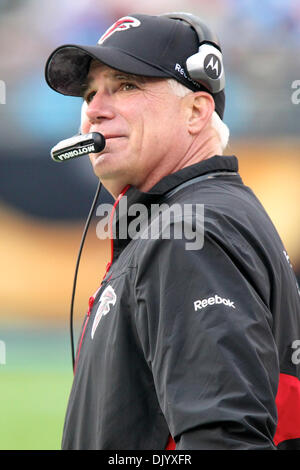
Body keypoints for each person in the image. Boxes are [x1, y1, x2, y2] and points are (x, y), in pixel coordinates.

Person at [45, 13, 300, 450]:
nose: (94, 110)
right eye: (90, 93)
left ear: (197, 111)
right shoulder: (193, 218)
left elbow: (223, 440)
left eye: (126, 85)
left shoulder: (188, 233)